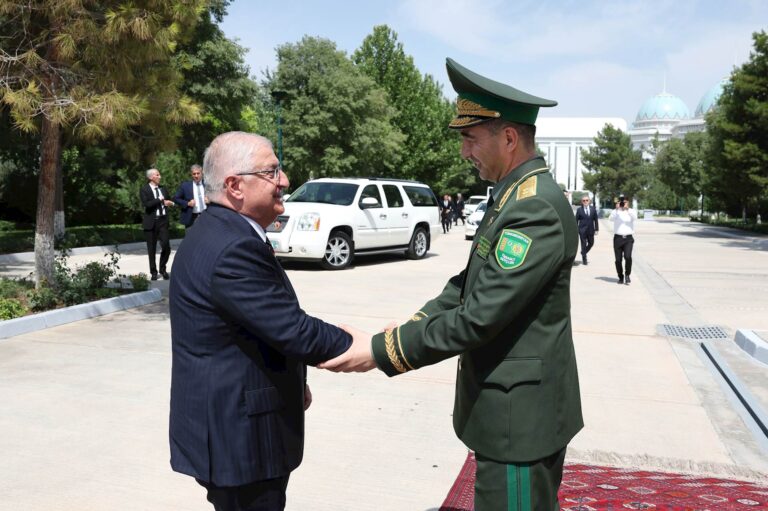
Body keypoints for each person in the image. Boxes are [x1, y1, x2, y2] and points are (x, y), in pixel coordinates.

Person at [320, 58, 583, 511]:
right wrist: (408, 327)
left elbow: (479, 317)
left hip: (518, 422)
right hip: (506, 412)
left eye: (470, 138)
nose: (464, 152)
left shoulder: (533, 207)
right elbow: (466, 284)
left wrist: (384, 350)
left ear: (508, 137)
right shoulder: (511, 195)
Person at [168, 132, 352, 511]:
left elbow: (257, 327)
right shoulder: (233, 245)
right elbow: (292, 328)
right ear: (235, 186)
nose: (284, 181)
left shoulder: (218, 230)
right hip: (241, 437)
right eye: (271, 172)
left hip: (229, 424)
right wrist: (371, 347)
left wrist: (294, 380)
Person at [139, 168, 174, 280]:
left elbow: (167, 200)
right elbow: (147, 204)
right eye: (157, 175)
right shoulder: (144, 189)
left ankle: (162, 269)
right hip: (151, 222)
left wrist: (170, 203)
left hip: (163, 221)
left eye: (159, 174)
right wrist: (159, 199)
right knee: (152, 249)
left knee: (166, 247)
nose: (160, 177)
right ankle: (153, 272)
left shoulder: (163, 188)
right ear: (151, 177)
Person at [609, 194, 637, 285]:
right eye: (622, 202)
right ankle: (620, 276)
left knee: (628, 257)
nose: (622, 203)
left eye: (624, 202)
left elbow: (635, 218)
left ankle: (627, 274)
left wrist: (627, 209)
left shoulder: (631, 211)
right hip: (618, 238)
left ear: (628, 202)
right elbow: (611, 219)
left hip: (628, 238)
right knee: (618, 260)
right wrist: (617, 209)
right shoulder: (615, 211)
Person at [173, 163, 209, 227]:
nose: (196, 176)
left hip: (207, 216)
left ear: (202, 173)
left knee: (207, 236)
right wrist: (188, 203)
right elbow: (175, 198)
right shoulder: (185, 186)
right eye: (194, 174)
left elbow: (217, 197)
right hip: (191, 217)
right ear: (191, 174)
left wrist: (210, 200)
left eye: (198, 173)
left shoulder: (207, 185)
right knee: (191, 237)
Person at [575, 194, 599, 265]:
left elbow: (596, 220)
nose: (585, 201)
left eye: (586, 200)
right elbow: (576, 220)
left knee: (591, 243)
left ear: (589, 201)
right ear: (582, 202)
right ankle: (584, 258)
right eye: (584, 200)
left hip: (591, 229)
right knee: (583, 243)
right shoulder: (579, 210)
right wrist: (576, 229)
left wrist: (596, 229)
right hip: (582, 230)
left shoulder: (593, 209)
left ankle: (583, 252)